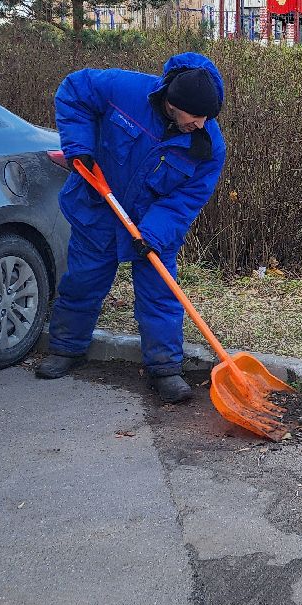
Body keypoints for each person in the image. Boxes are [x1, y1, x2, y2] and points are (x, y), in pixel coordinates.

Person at [35, 54, 226, 402]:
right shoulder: (125, 90)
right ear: (172, 103)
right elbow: (74, 90)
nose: (201, 125)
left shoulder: (209, 145)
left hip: (154, 225)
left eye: (207, 118)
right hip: (99, 209)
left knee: (161, 295)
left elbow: (188, 197)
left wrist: (152, 234)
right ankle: (65, 349)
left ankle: (165, 368)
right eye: (194, 117)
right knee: (83, 281)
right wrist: (80, 147)